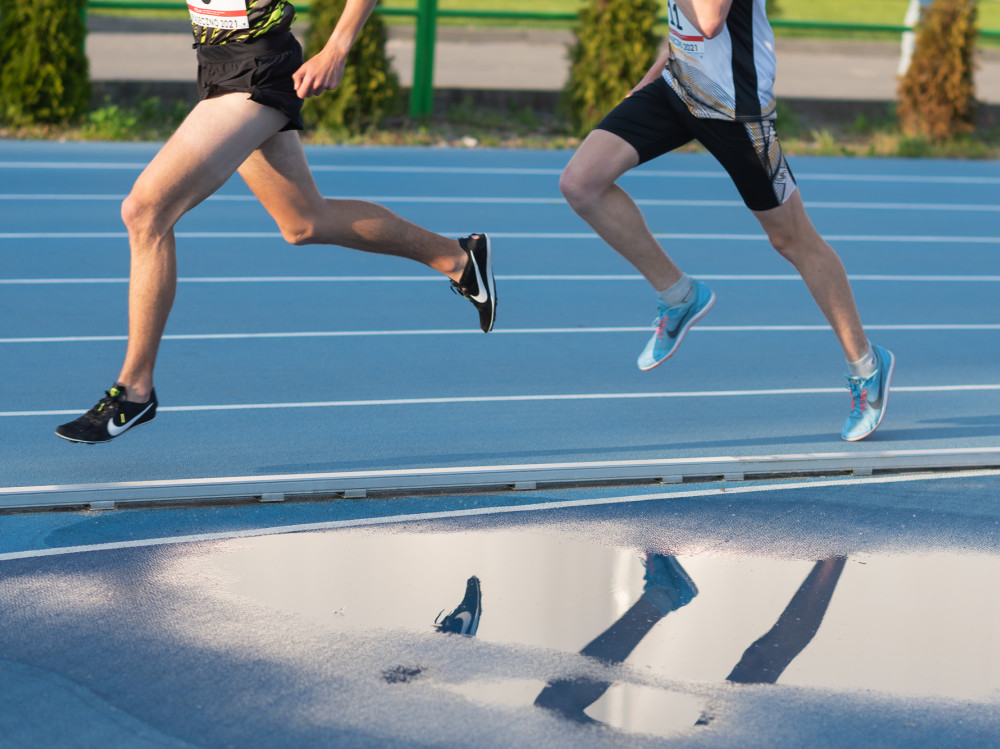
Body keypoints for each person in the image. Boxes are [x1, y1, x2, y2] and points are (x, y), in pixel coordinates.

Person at [55, 0, 496, 444]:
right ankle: (457, 257)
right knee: (305, 222)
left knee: (145, 211)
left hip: (258, 70)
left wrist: (337, 48)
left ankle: (134, 389)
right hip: (217, 66)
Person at [558, 0, 894, 441]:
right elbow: (687, 30)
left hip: (737, 110)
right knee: (581, 184)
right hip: (678, 86)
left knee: (792, 240)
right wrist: (647, 82)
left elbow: (711, 21)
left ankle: (866, 365)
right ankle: (679, 295)